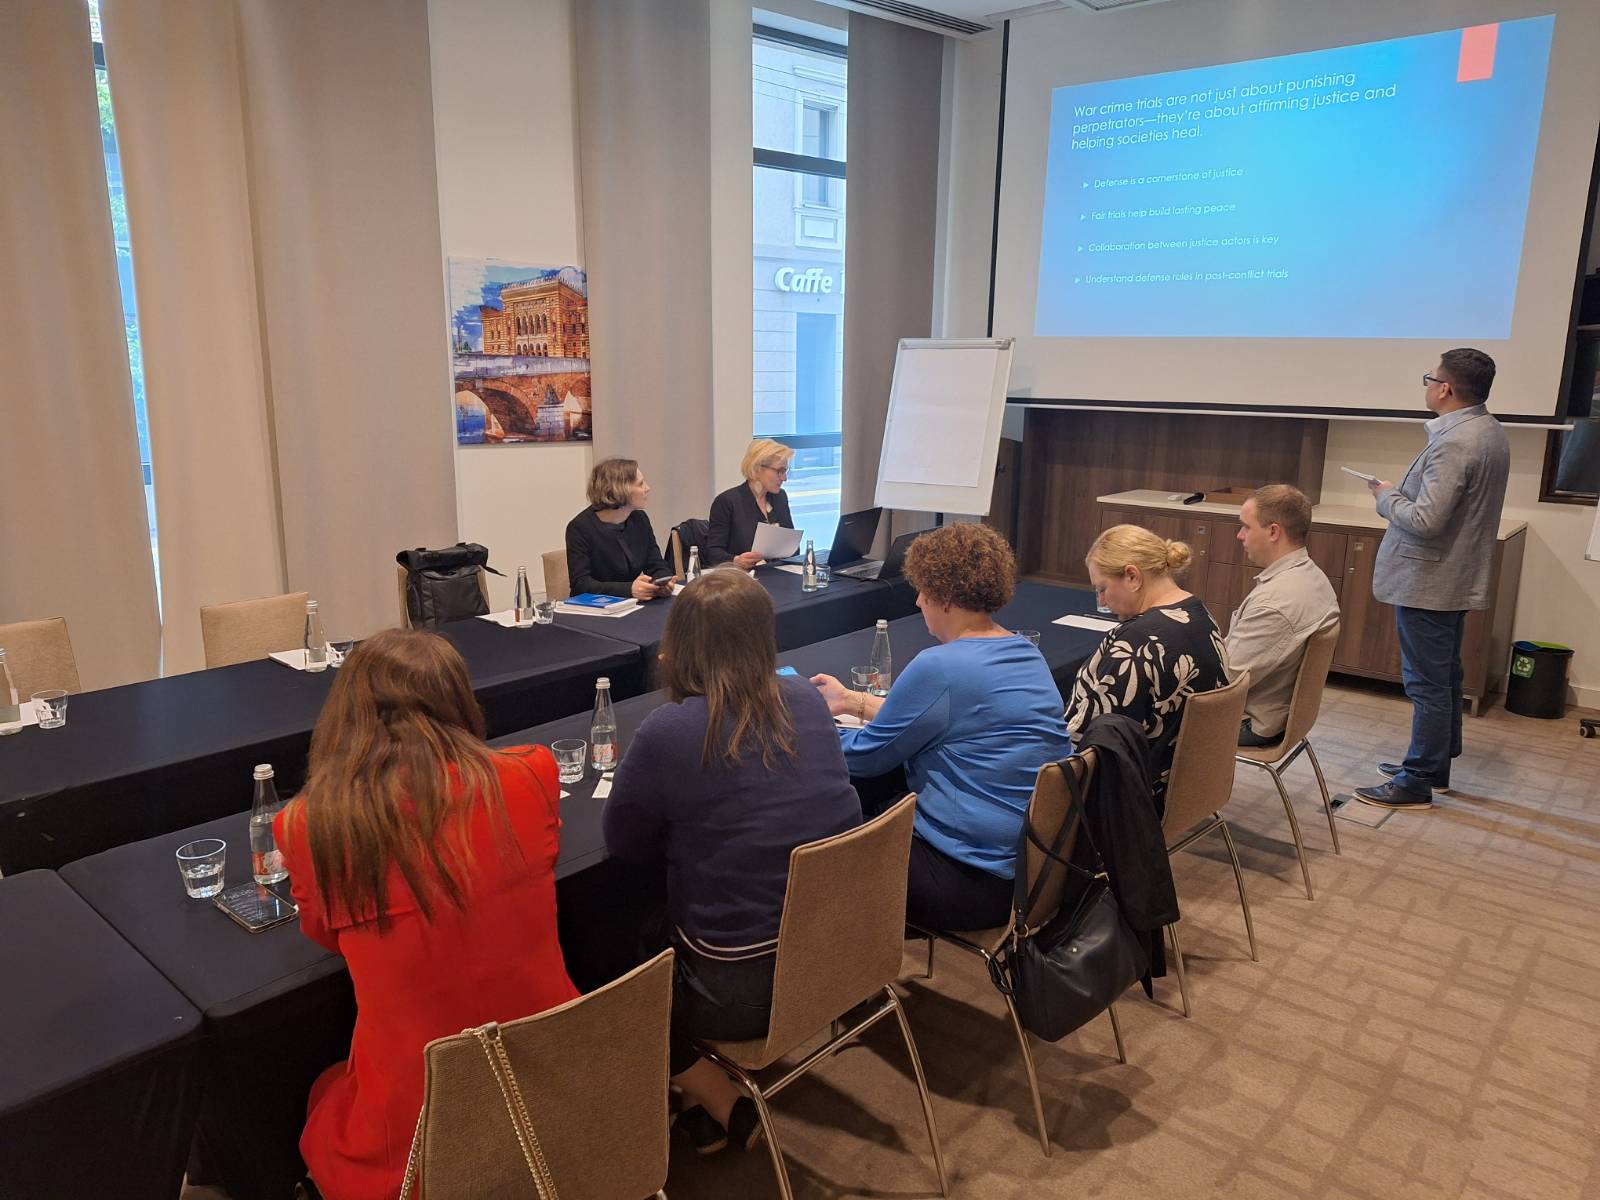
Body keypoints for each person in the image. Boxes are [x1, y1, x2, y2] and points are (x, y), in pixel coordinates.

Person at [274, 628, 578, 1200]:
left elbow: (326, 936)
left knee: (322, 1094)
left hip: (417, 1129)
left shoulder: (309, 826)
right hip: (549, 1080)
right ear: (458, 698)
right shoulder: (530, 772)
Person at [603, 569, 860, 1155]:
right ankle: (703, 1103)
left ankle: (716, 1095)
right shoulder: (806, 698)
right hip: (836, 954)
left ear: (679, 647)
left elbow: (625, 844)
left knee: (602, 956)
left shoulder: (670, 729)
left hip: (740, 990)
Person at [810, 523, 1072, 933]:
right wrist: (850, 700)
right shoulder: (1023, 651)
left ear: (945, 597)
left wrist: (804, 726)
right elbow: (934, 720)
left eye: (922, 591)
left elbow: (865, 757)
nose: (917, 601)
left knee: (819, 841)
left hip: (970, 880)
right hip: (1036, 870)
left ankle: (835, 961)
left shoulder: (941, 667)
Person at [1354, 349, 1510, 809]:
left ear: (1445, 388)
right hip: (1450, 575)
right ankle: (1435, 765)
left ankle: (1417, 779)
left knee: (1427, 684)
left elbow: (1425, 521)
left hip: (1430, 580)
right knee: (1443, 678)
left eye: (1430, 378)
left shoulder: (1456, 442)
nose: (1426, 385)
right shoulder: (1488, 430)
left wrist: (1385, 496)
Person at [1065, 524, 1229, 795]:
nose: (1102, 602)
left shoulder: (1136, 641)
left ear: (1132, 576)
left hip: (1134, 796)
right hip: (1192, 784)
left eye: (1102, 588)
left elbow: (1088, 741)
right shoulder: (1200, 614)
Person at [1228, 484, 1341, 747]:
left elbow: (1224, 682)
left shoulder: (1275, 602)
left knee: (1141, 717)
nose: (1239, 535)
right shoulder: (1311, 575)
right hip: (1273, 712)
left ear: (1273, 532)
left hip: (1248, 719)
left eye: (1246, 527)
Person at [565, 457, 675, 600]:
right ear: (620, 490)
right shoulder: (579, 528)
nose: (648, 488)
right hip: (598, 607)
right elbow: (581, 584)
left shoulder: (640, 519)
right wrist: (628, 590)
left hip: (633, 604)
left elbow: (656, 564)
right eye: (640, 484)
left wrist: (662, 582)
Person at [705, 438, 795, 568]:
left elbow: (792, 547)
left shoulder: (780, 497)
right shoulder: (727, 501)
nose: (784, 478)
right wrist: (736, 560)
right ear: (758, 469)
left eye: (785, 471)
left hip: (777, 571)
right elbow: (713, 553)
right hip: (742, 575)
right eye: (780, 471)